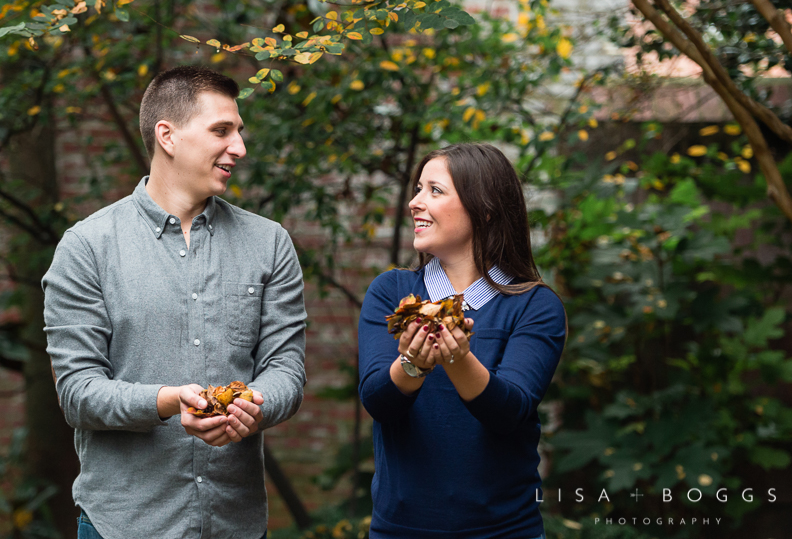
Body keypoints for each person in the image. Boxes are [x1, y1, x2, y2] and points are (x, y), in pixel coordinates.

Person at [42, 66, 307, 539]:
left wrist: (254, 405)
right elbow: (77, 393)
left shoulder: (269, 243)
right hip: (121, 525)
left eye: (239, 132)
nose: (240, 148)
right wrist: (165, 401)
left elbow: (286, 369)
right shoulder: (87, 247)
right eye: (222, 131)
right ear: (168, 135)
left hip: (236, 524)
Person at [358, 142, 566, 539]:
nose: (414, 203)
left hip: (505, 532)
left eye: (434, 191)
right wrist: (414, 364)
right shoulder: (392, 293)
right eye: (418, 189)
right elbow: (378, 402)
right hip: (400, 531)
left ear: (484, 209)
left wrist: (456, 358)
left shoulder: (534, 305)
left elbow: (509, 412)